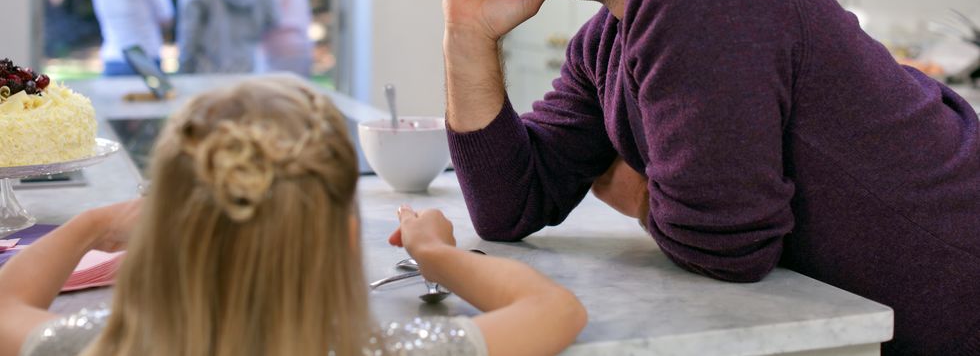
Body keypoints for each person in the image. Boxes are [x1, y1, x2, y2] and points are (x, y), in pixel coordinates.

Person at [442, 0, 980, 356]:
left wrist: (632, 190)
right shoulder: (608, 37)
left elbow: (727, 248)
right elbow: (507, 203)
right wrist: (467, 37)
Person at [0, 77, 586, 356]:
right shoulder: (394, 353)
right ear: (346, 238)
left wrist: (92, 226)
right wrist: (436, 254)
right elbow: (554, 309)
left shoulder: (99, 348)